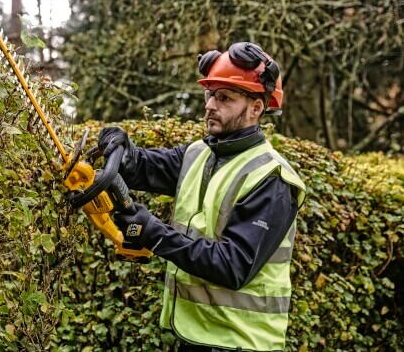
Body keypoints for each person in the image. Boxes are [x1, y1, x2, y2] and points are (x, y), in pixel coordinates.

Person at [98, 42, 306, 352]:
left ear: (256, 108)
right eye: (210, 95)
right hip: (196, 336)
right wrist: (119, 146)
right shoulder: (199, 154)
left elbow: (234, 266)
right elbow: (141, 167)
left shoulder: (272, 178)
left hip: (241, 342)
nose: (210, 105)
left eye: (225, 98)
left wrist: (153, 233)